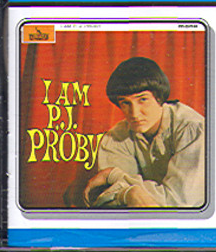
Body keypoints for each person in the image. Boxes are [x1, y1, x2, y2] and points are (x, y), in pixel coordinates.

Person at [83, 57, 205, 208]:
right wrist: (130, 194)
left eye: (142, 100)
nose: (134, 113)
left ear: (159, 97)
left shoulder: (192, 129)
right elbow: (105, 201)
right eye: (125, 103)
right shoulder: (116, 137)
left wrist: (119, 180)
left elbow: (179, 202)